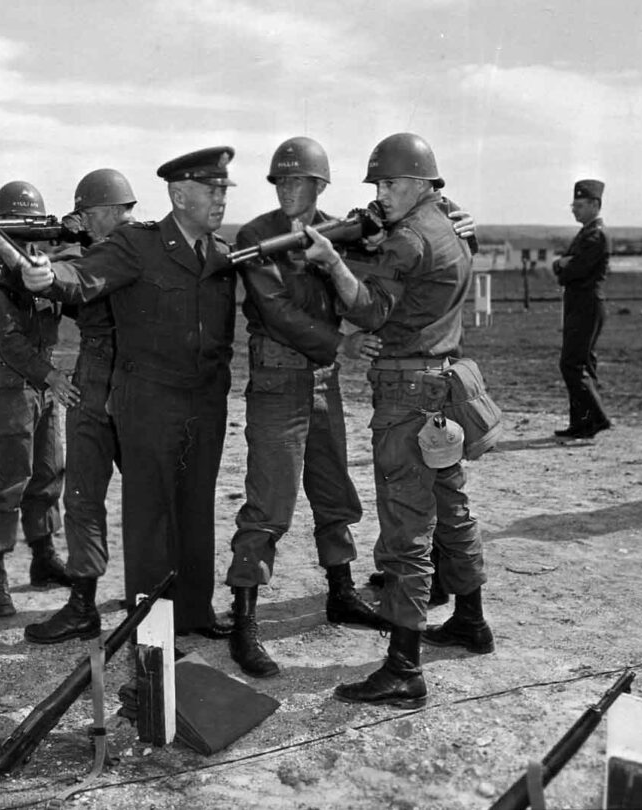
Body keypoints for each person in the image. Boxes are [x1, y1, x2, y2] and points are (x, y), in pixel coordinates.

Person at [0, 147, 239, 639]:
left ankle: (184, 609)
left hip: (168, 395)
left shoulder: (178, 250)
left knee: (180, 506)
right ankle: (98, 605)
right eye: (94, 214)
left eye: (109, 213)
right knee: (94, 498)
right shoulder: (120, 249)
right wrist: (43, 273)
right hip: (104, 384)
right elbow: (72, 281)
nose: (96, 222)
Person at [304, 133, 493, 708]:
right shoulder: (448, 226)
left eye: (389, 184)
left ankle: (404, 666)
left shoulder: (409, 240)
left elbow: (368, 308)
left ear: (421, 184)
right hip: (439, 385)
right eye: (379, 185)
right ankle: (470, 620)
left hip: (406, 396)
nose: (381, 194)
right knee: (451, 508)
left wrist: (333, 262)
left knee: (406, 531)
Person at [223, 137, 388, 678]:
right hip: (277, 380)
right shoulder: (256, 237)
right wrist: (338, 343)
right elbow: (276, 311)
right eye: (280, 181)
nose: (287, 189)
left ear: (319, 186)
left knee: (333, 488)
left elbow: (366, 286)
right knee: (269, 502)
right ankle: (244, 620)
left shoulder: (339, 232)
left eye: (298, 181)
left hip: (322, 381)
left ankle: (340, 589)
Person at [25, 169, 143, 644]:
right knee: (83, 495)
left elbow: (86, 278)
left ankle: (151, 597)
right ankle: (82, 604)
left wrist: (62, 261)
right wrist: (59, 250)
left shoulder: (140, 247)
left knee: (149, 496)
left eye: (90, 214)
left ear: (115, 211)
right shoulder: (90, 250)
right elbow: (71, 282)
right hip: (94, 371)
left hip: (136, 376)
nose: (85, 222)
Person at [0, 181, 76, 618]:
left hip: (43, 382)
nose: (27, 237)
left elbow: (67, 287)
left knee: (48, 473)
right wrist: (51, 376)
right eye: (16, 228)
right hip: (8, 381)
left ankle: (43, 556)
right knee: (7, 482)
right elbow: (10, 341)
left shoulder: (42, 265)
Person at [552, 179, 612, 439]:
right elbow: (563, 267)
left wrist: (563, 266)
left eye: (579, 205)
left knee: (572, 364)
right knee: (581, 362)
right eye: (573, 205)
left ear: (595, 205)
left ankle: (597, 418)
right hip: (580, 303)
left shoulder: (595, 235)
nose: (574, 210)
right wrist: (561, 265)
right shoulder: (587, 233)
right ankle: (582, 422)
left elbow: (573, 271)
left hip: (586, 303)